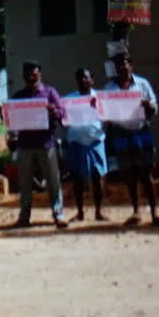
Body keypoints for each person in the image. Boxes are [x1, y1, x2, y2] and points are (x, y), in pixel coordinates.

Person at [104, 52, 159, 226]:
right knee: (129, 174)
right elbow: (105, 112)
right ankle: (136, 211)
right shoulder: (109, 87)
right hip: (120, 132)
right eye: (118, 65)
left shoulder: (142, 84)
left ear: (131, 65)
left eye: (124, 64)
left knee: (146, 173)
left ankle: (154, 212)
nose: (122, 67)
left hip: (140, 131)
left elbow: (154, 107)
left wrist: (149, 105)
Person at [8, 61, 68, 228]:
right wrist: (3, 114)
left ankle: (58, 213)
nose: (30, 77)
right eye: (27, 74)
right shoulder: (18, 96)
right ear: (23, 76)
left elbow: (62, 112)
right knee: (25, 182)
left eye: (34, 74)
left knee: (53, 180)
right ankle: (24, 216)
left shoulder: (50, 92)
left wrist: (53, 111)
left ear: (40, 74)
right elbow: (11, 118)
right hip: (25, 144)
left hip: (46, 143)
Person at [65, 68, 108, 222]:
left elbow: (108, 117)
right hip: (76, 140)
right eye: (80, 78)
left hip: (95, 140)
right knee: (76, 178)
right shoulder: (69, 99)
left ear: (92, 80)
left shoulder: (100, 98)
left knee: (97, 176)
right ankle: (80, 212)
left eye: (86, 78)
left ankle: (99, 211)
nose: (84, 81)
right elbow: (64, 120)